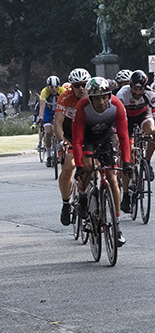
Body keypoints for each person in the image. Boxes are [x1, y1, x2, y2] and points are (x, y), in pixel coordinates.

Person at [71, 77, 131, 244]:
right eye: (97, 98)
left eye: (105, 97)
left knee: (112, 178)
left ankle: (117, 227)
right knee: (88, 167)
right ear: (90, 98)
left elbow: (124, 136)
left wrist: (126, 162)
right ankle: (83, 195)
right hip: (88, 138)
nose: (101, 101)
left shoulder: (117, 105)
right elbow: (77, 140)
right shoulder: (82, 107)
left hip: (107, 137)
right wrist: (79, 166)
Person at [115, 70, 155, 210]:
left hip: (143, 115)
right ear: (130, 86)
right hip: (126, 119)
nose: (137, 92)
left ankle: (147, 162)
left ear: (145, 87)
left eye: (140, 89)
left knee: (152, 133)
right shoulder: (122, 95)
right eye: (134, 88)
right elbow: (120, 120)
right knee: (127, 158)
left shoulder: (151, 95)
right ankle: (125, 195)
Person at [56, 68, 90, 226]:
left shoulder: (93, 95)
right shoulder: (65, 97)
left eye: (84, 85)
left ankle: (84, 196)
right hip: (70, 134)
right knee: (68, 166)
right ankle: (65, 204)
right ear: (72, 86)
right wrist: (61, 140)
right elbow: (58, 122)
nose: (81, 88)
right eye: (77, 85)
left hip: (88, 132)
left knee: (92, 167)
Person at [38, 76, 62, 166]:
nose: (54, 89)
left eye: (56, 87)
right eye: (51, 87)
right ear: (48, 87)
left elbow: (67, 103)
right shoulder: (45, 92)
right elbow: (42, 106)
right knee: (48, 132)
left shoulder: (62, 90)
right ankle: (48, 156)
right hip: (47, 113)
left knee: (60, 131)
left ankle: (59, 152)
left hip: (58, 112)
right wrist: (40, 117)